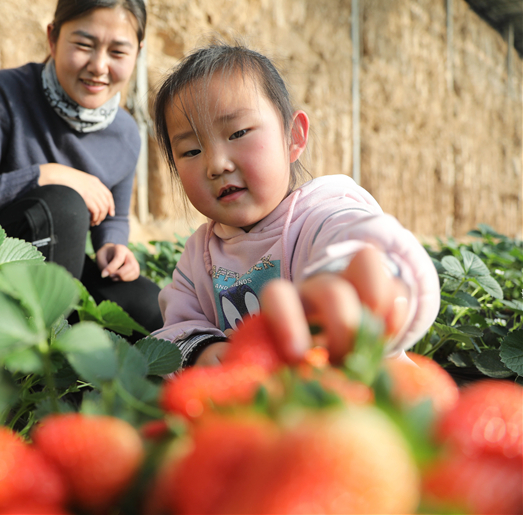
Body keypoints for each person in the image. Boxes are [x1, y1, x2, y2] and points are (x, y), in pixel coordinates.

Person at [150, 41, 441, 368]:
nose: (216, 164)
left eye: (238, 133)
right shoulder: (198, 257)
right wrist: (204, 351)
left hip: (364, 397)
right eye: (191, 151)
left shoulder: (321, 214)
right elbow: (174, 330)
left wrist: (368, 287)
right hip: (271, 410)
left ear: (293, 137)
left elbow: (367, 244)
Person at [0, 0, 162, 338]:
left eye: (118, 51)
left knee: (152, 306)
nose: (99, 66)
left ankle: (75, 351)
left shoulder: (125, 133)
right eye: (84, 45)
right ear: (53, 38)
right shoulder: (6, 93)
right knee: (64, 205)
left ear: (138, 53)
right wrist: (46, 175)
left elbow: (112, 216)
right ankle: (50, 365)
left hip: (55, 265)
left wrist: (113, 247)